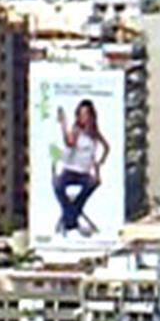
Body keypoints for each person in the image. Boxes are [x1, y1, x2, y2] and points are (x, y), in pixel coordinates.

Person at [51, 95, 112, 235]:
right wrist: (63, 124)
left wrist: (98, 164)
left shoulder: (94, 133)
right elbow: (69, 142)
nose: (84, 117)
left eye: (87, 114)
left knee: (92, 184)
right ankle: (71, 219)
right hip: (71, 170)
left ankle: (69, 217)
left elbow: (106, 147)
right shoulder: (76, 130)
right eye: (81, 114)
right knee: (58, 185)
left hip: (84, 172)